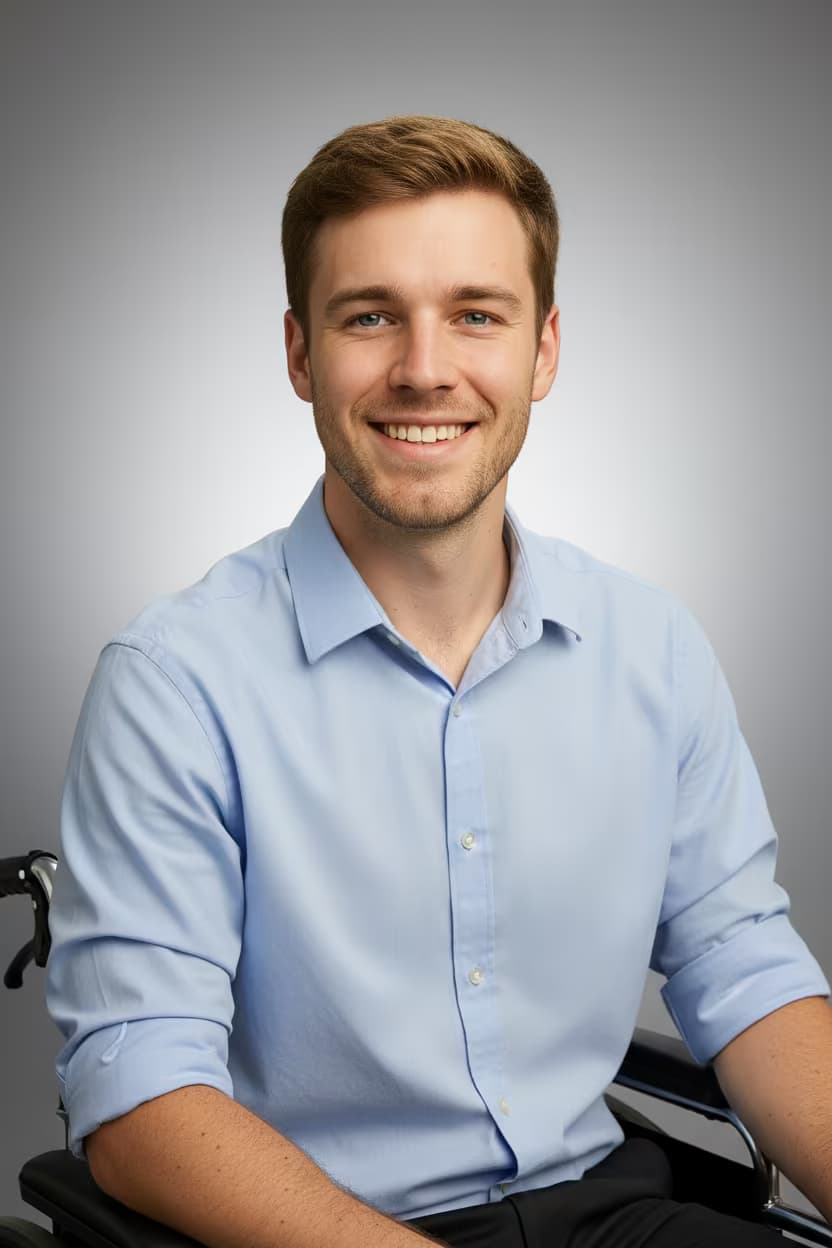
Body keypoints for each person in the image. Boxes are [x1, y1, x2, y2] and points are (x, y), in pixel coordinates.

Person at [46, 115, 832, 1248]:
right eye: (369, 317)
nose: (425, 370)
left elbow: (742, 970)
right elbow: (138, 1100)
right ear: (299, 354)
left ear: (543, 350)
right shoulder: (174, 685)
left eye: (476, 315)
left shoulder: (648, 648)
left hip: (608, 1211)